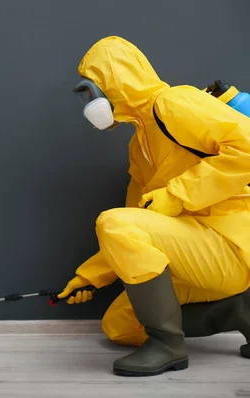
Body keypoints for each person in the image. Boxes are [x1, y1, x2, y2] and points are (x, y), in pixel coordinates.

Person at [58, 36, 250, 377]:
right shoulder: (139, 146)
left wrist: (176, 195)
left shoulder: (175, 102)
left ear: (115, 79)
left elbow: (246, 147)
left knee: (113, 222)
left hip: (231, 243)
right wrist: (91, 276)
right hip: (196, 251)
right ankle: (239, 309)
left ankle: (167, 346)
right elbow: (139, 223)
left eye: (92, 89)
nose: (90, 101)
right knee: (120, 326)